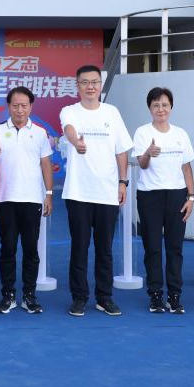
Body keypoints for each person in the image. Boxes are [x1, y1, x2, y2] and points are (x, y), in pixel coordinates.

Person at [60, 65, 131, 317]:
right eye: (85, 82)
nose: (90, 86)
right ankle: (79, 298)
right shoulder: (69, 111)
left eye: (94, 82)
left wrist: (123, 182)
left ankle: (104, 297)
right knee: (79, 247)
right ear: (77, 85)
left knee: (105, 249)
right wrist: (75, 142)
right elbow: (69, 129)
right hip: (78, 192)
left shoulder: (112, 113)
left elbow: (121, 150)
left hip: (107, 192)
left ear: (100, 85)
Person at [0, 86, 53, 315]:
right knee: (8, 249)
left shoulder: (40, 133)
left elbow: (45, 164)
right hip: (5, 198)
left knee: (31, 250)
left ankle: (29, 296)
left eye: (24, 105)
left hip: (32, 199)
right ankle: (8, 295)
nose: (20, 110)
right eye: (15, 105)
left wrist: (49, 194)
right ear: (9, 106)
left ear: (31, 107)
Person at [131, 87, 194, 315]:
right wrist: (148, 152)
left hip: (177, 195)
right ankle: (156, 294)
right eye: (156, 105)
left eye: (165, 105)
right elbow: (142, 164)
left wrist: (191, 197)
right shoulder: (142, 132)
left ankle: (175, 295)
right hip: (150, 195)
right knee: (153, 247)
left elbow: (186, 167)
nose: (161, 109)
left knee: (175, 247)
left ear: (171, 107)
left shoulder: (180, 134)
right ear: (150, 108)